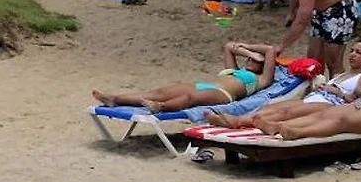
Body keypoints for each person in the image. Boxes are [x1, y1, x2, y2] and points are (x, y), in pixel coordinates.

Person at [209, 30, 361, 141]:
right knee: (327, 116)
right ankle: (279, 127)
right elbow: (360, 89)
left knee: (340, 119)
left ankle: (294, 132)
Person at [206, 40, 361, 128]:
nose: (352, 54)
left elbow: (357, 101)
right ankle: (240, 119)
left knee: (286, 112)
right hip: (317, 97)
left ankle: (237, 122)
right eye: (351, 51)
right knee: (271, 108)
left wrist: (337, 92)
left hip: (331, 105)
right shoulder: (342, 74)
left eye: (358, 53)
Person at [92, 42, 281, 113]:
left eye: (255, 60)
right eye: (248, 58)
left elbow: (270, 50)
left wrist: (259, 54)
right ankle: (115, 99)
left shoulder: (261, 80)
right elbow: (228, 46)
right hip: (203, 85)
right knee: (159, 92)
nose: (249, 59)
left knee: (189, 100)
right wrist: (247, 50)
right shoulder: (234, 70)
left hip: (222, 93)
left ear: (263, 65)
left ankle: (163, 108)